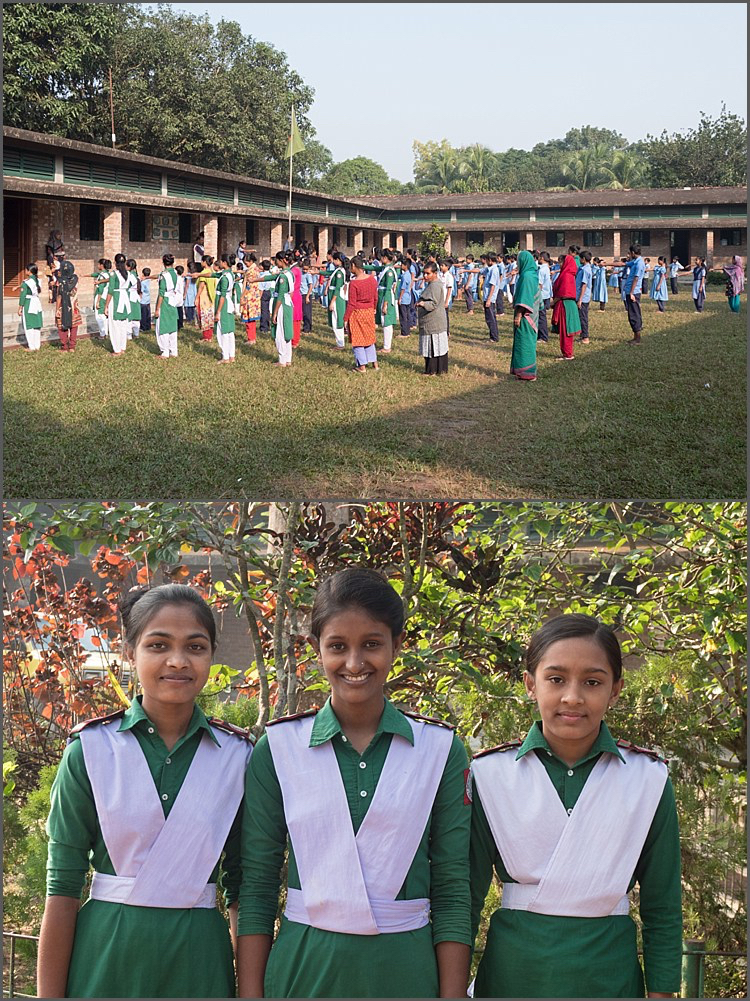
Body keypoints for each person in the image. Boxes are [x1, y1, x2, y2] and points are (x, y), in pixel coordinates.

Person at [236, 568, 471, 999]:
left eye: (372, 645)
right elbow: (258, 883)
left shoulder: (439, 749)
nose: (355, 663)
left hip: (405, 971)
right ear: (315, 649)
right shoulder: (280, 748)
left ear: (397, 645)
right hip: (303, 969)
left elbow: (453, 886)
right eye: (338, 646)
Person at [37, 584, 253, 1000]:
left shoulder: (239, 756)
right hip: (106, 956)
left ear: (211, 655)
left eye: (195, 646)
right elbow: (62, 885)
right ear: (129, 651)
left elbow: (243, 887)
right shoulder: (92, 750)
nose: (178, 660)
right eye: (158, 645)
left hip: (199, 962)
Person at [469, 613, 682, 999]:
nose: (572, 696)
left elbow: (663, 905)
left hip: (609, 978)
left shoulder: (646, 779)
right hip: (513, 976)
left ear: (615, 690)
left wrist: (663, 992)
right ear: (530, 684)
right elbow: (463, 899)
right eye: (556, 679)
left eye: (592, 682)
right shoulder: (490, 775)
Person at [344, 256, 379, 373]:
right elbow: (375, 297)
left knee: (358, 339)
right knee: (369, 337)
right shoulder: (372, 280)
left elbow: (351, 303)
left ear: (354, 266)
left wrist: (346, 318)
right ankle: (375, 363)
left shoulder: (354, 283)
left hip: (357, 313)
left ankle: (362, 366)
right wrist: (373, 308)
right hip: (369, 311)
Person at [509, 250, 540, 382]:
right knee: (527, 343)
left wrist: (519, 315)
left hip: (526, 317)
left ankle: (527, 373)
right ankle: (522, 372)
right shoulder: (532, 274)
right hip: (533, 316)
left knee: (525, 343)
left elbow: (525, 298)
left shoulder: (527, 277)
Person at [417, 262, 449, 376]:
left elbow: (433, 303)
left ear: (435, 273)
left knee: (433, 348)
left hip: (433, 322)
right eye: (424, 273)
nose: (425, 276)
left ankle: (432, 370)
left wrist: (422, 304)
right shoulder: (432, 284)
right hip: (432, 321)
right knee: (435, 348)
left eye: (428, 273)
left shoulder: (435, 285)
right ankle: (436, 370)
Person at [551, 254, 580, 360]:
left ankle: (568, 354)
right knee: (564, 330)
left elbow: (564, 293)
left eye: (561, 262)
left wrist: (553, 302)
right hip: (564, 304)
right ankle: (566, 352)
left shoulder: (567, 275)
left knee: (566, 330)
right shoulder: (565, 273)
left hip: (565, 304)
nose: (560, 264)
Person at [104, 254, 133, 356]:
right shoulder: (128, 274)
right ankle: (122, 347)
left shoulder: (113, 274)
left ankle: (117, 349)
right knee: (123, 325)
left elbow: (110, 290)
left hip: (116, 299)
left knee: (114, 325)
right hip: (125, 298)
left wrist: (106, 305)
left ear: (115, 263)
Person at [154, 254, 181, 359]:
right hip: (172, 300)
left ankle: (165, 351)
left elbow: (161, 293)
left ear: (163, 262)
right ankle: (173, 350)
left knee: (162, 326)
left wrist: (157, 308)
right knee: (172, 326)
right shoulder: (175, 273)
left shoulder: (163, 275)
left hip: (165, 301)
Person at [270, 252, 294, 366]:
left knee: (280, 332)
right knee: (286, 330)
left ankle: (282, 360)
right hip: (288, 303)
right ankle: (287, 358)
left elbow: (280, 295)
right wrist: (256, 280)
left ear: (281, 260)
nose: (275, 262)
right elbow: (272, 277)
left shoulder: (283, 276)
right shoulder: (289, 273)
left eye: (276, 260)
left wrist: (274, 312)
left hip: (281, 305)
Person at [214, 252, 237, 364]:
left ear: (224, 263)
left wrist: (218, 311)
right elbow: (214, 275)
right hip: (228, 303)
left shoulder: (224, 278)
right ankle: (231, 355)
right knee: (229, 331)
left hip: (223, 304)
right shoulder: (229, 274)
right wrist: (198, 275)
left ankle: (225, 356)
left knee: (222, 330)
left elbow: (222, 295)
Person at [55, 260, 82, 352]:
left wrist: (57, 310)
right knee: (74, 327)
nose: (59, 271)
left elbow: (59, 297)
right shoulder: (75, 279)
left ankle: (65, 347)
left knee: (62, 327)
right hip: (74, 307)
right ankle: (72, 346)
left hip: (63, 307)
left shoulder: (61, 282)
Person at [376, 250, 398, 352]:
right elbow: (374, 267)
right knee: (384, 322)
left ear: (385, 258)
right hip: (382, 297)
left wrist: (385, 304)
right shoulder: (385, 268)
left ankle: (387, 346)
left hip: (386, 298)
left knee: (387, 323)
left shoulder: (389, 272)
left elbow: (388, 289)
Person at [623, 244, 646, 344]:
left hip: (634, 292)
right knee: (633, 313)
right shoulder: (635, 262)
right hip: (631, 291)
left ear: (633, 253)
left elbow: (636, 279)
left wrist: (631, 293)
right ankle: (636, 336)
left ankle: (637, 338)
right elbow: (623, 264)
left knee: (634, 314)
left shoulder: (639, 263)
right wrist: (606, 264)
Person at [18, 262, 44, 351]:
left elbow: (23, 296)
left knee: (28, 325)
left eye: (26, 270)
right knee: (36, 324)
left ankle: (31, 346)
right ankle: (37, 345)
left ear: (29, 271)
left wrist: (20, 307)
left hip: (28, 303)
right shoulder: (38, 281)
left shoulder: (26, 282)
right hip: (37, 302)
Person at [240, 253, 263, 343]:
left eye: (246, 262)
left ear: (250, 261)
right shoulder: (255, 269)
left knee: (249, 318)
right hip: (254, 295)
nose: (245, 264)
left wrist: (243, 296)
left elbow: (249, 285)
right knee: (251, 318)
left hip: (249, 296)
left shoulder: (251, 271)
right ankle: (251, 337)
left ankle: (251, 338)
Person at [327, 252, 348, 349]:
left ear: (338, 260)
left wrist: (332, 301)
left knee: (337, 320)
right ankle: (339, 343)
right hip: (335, 296)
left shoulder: (340, 272)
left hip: (337, 298)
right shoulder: (338, 270)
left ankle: (340, 344)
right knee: (335, 319)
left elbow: (337, 288)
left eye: (334, 259)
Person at [195, 256, 218, 342]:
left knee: (204, 315)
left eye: (202, 261)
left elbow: (201, 285)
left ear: (204, 262)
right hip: (211, 296)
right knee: (209, 315)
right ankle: (209, 335)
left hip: (204, 296)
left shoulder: (204, 272)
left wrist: (197, 297)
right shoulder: (211, 271)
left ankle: (206, 337)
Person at [483, 254, 501, 342]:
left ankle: (494, 337)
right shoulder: (490, 269)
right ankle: (492, 336)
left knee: (491, 318)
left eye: (486, 260)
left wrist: (489, 299)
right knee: (489, 318)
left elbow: (493, 286)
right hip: (487, 297)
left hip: (489, 298)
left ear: (490, 260)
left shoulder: (494, 270)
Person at [575, 251, 593, 344]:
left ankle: (585, 337)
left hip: (583, 298)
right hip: (579, 296)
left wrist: (580, 299)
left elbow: (584, 285)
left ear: (584, 259)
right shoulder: (582, 268)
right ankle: (582, 335)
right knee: (580, 316)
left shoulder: (586, 270)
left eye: (580, 258)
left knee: (583, 317)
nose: (579, 260)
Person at [93, 259, 112, 341]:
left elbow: (101, 288)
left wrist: (97, 301)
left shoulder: (103, 275)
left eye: (99, 264)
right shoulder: (107, 274)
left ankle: (102, 334)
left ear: (102, 265)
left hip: (101, 296)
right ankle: (106, 333)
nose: (98, 266)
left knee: (99, 317)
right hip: (105, 296)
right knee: (104, 316)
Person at [537, 252, 552, 342]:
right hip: (546, 294)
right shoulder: (546, 268)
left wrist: (536, 296)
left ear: (542, 258)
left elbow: (540, 285)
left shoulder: (542, 270)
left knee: (541, 317)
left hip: (541, 295)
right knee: (542, 316)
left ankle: (543, 336)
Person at [397, 256, 414, 338]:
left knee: (403, 316)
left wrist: (400, 298)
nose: (401, 266)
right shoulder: (408, 274)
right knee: (407, 315)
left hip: (403, 298)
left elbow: (403, 288)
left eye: (402, 265)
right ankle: (407, 331)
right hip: (408, 297)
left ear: (405, 266)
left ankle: (404, 332)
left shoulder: (404, 276)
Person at [438, 259, 455, 336]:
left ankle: (447, 331)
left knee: (445, 315)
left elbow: (449, 289)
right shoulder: (439, 274)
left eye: (442, 266)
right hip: (439, 298)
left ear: (447, 267)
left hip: (445, 298)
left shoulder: (449, 276)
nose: (441, 267)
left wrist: (447, 301)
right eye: (440, 265)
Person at [126, 259, 141, 340]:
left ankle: (128, 335)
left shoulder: (129, 275)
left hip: (130, 297)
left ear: (129, 267)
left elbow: (126, 286)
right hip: (136, 297)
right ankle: (136, 333)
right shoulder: (136, 275)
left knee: (129, 317)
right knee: (136, 317)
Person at [300, 259, 314, 334]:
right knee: (303, 312)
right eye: (304, 269)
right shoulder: (301, 274)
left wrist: (308, 296)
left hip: (306, 294)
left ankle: (308, 328)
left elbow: (310, 286)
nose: (305, 270)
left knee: (307, 312)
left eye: (306, 269)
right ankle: (305, 326)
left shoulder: (308, 275)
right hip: (301, 294)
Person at [140, 268, 152, 333]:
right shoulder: (149, 280)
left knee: (143, 315)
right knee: (148, 314)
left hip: (143, 300)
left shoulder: (143, 282)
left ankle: (143, 327)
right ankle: (148, 326)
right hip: (148, 300)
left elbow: (141, 291)